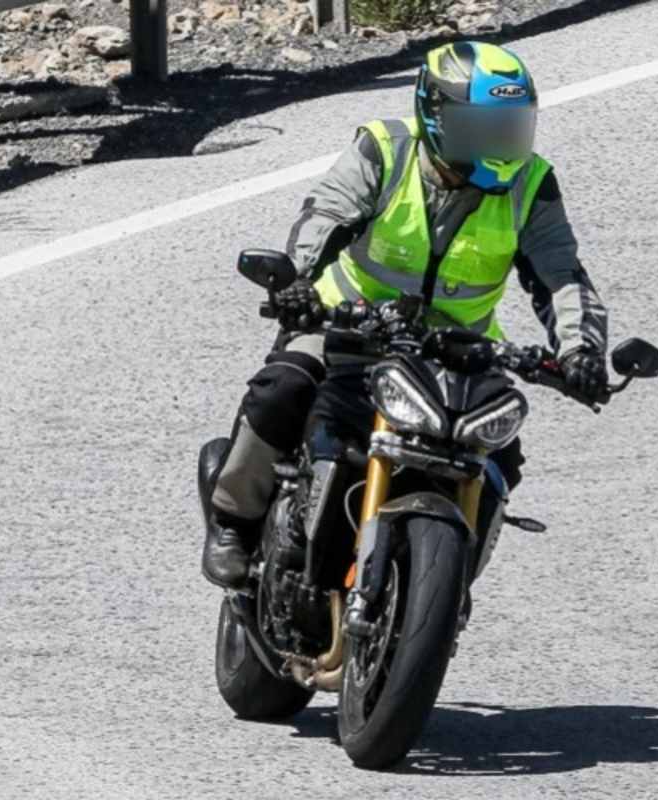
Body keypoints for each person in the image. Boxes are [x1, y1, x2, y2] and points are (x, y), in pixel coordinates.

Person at [202, 41, 610, 588]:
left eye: (511, 128)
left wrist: (581, 350)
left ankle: (446, 588)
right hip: (348, 324)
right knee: (285, 387)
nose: (501, 142)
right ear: (438, 116)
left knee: (499, 453)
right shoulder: (385, 150)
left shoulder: (531, 184)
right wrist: (299, 285)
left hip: (458, 350)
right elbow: (325, 217)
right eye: (484, 128)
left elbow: (561, 274)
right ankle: (233, 520)